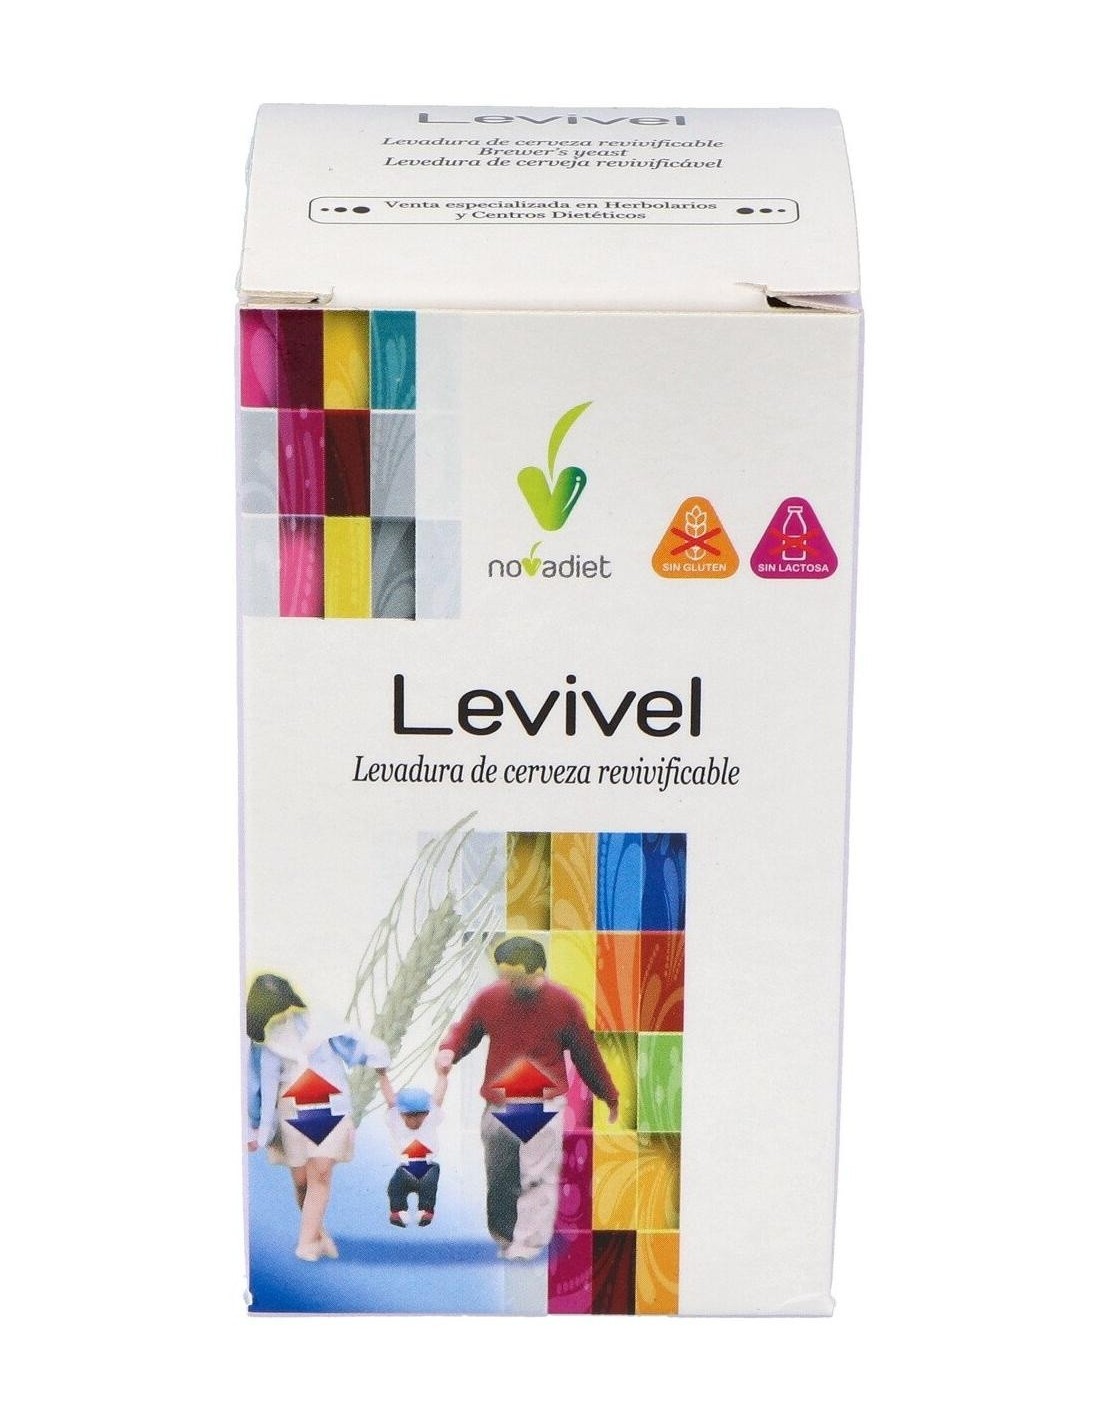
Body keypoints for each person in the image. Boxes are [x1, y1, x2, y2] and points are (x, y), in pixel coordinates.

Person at [435, 936, 618, 1261]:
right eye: (503, 975)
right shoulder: (490, 998)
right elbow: (466, 1030)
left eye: (515, 976)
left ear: (538, 971)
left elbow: (586, 1054)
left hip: (543, 1104)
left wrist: (609, 1094)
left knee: (537, 1176)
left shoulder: (563, 1004)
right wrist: (450, 1051)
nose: (508, 983)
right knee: (499, 1176)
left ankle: (528, 1244)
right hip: (500, 1103)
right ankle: (505, 1237)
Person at [246, 973, 391, 1262]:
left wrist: (378, 1058)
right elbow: (256, 1086)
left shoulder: (318, 1023)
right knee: (302, 1181)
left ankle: (305, 1244)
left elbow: (353, 1042)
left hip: (330, 1105)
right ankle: (318, 1235)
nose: (285, 1014)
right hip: (292, 1112)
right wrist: (255, 1126)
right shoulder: (263, 1043)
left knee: (320, 1174)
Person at [379, 1073, 448, 1227]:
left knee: (429, 1187)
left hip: (428, 1169)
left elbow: (438, 1098)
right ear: (401, 1114)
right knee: (394, 1187)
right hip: (405, 1170)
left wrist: (443, 1076)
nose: (414, 1120)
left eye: (419, 1115)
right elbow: (390, 1100)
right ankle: (398, 1211)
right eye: (410, 1116)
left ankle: (426, 1210)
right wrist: (382, 1075)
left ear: (427, 1114)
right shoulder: (396, 1121)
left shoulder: (430, 1120)